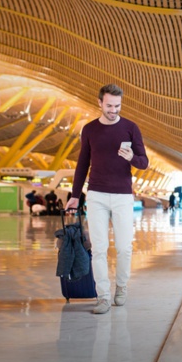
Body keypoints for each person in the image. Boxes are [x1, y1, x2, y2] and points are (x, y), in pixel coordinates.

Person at [65, 83, 149, 314]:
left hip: (122, 194)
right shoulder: (90, 129)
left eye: (118, 106)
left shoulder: (131, 127)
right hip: (97, 195)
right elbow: (82, 164)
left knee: (124, 248)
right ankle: (102, 296)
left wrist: (132, 156)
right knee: (99, 248)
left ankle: (121, 288)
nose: (114, 110)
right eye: (110, 105)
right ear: (100, 103)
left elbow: (144, 162)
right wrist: (75, 196)